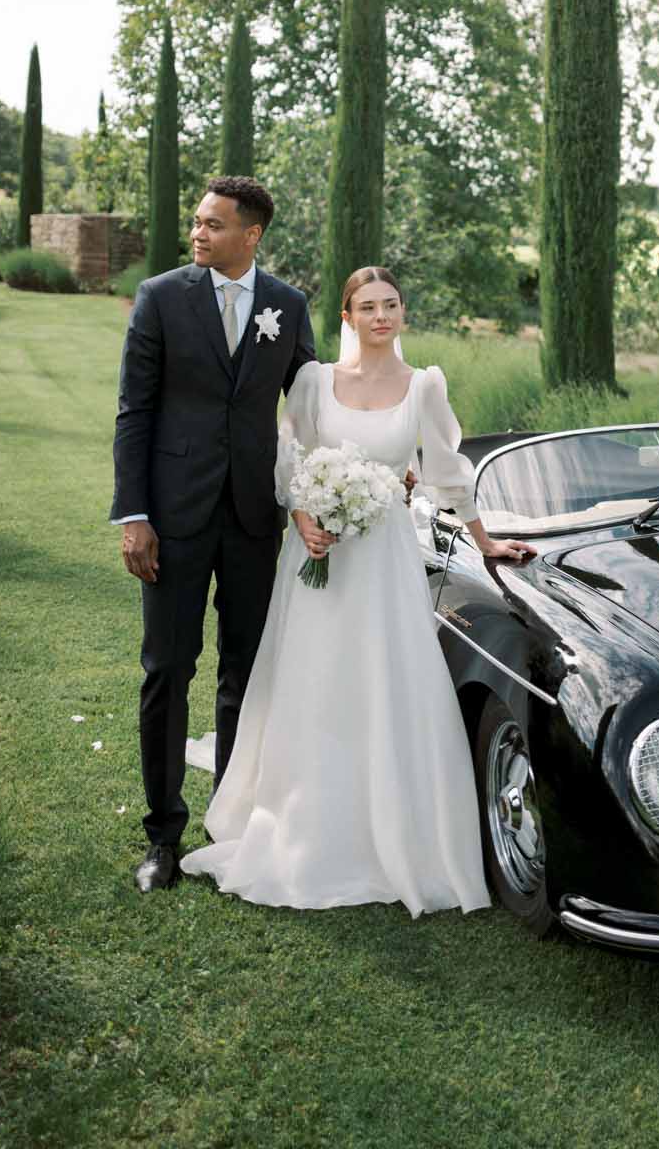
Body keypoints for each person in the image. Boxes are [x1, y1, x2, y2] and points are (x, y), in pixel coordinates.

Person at [179, 265, 535, 915]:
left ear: (402, 314)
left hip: (386, 560)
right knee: (315, 677)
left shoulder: (423, 385)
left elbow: (447, 473)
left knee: (382, 676)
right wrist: (305, 518)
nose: (379, 316)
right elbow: (290, 458)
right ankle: (302, 815)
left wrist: (486, 543)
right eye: (367, 306)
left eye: (390, 305)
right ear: (346, 317)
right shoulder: (315, 382)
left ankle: (396, 827)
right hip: (319, 557)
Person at [111, 176, 317, 893]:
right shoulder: (162, 297)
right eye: (195, 222)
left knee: (244, 674)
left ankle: (228, 831)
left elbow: (314, 401)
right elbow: (134, 410)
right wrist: (133, 515)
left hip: (254, 518)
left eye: (212, 225)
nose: (197, 234)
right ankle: (162, 837)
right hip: (172, 514)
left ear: (251, 236)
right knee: (168, 668)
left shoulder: (287, 306)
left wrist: (372, 464)